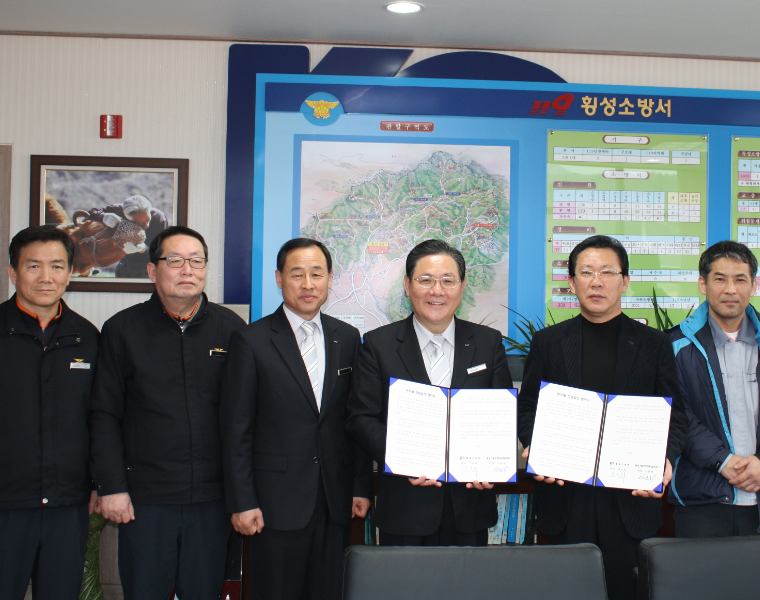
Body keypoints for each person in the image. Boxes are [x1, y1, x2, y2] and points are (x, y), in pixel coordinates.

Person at [517, 234, 687, 600]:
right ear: (571, 281)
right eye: (587, 272)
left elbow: (675, 414)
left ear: (625, 281)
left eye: (607, 272)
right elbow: (528, 406)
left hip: (629, 499)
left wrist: (667, 459)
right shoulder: (548, 342)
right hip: (565, 496)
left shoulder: (654, 344)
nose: (597, 282)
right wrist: (536, 445)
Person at [90, 225, 245, 599]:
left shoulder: (232, 330)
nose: (187, 270)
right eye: (175, 261)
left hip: (212, 500)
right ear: (152, 270)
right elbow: (104, 414)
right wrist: (112, 486)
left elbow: (244, 417)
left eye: (196, 261)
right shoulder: (122, 330)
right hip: (145, 500)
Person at [0, 226, 100, 599]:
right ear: (13, 272)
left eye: (57, 266)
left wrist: (98, 484)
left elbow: (100, 420)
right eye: (33, 266)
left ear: (70, 272)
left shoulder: (88, 338)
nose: (46, 277)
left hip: (67, 509)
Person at [221, 238, 372, 600]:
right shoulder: (251, 340)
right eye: (296, 274)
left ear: (329, 279)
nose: (308, 284)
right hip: (274, 504)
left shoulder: (347, 337)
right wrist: (242, 501)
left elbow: (355, 419)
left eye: (316, 274)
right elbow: (236, 429)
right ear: (279, 278)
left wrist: (360, 487)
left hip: (334, 501)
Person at [347, 239, 511, 546]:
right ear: (407, 286)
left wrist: (490, 463)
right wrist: (404, 457)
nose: (437, 291)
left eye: (448, 281)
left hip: (470, 505)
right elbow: (361, 418)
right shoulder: (378, 345)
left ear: (462, 287)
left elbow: (501, 415)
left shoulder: (488, 343)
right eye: (426, 280)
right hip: (406, 506)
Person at [666, 240, 760, 537]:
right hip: (701, 501)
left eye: (740, 280)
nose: (730, 289)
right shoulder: (674, 346)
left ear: (754, 286)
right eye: (720, 279)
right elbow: (675, 415)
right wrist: (721, 460)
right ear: (703, 284)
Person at [86, 194, 168, 278]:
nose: (146, 226)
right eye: (139, 223)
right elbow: (89, 214)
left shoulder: (159, 218)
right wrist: (102, 216)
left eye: (148, 220)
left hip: (149, 267)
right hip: (125, 265)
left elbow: (161, 254)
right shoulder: (118, 211)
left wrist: (144, 249)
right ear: (126, 216)